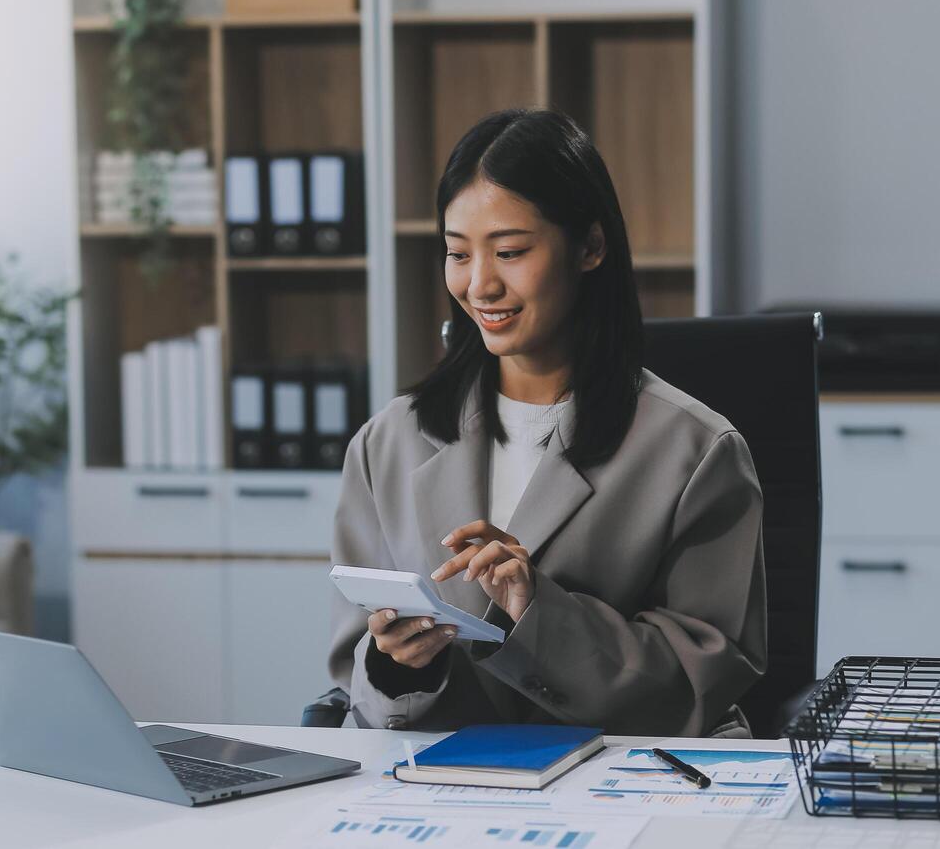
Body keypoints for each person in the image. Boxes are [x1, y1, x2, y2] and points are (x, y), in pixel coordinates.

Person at [326, 108, 766, 737]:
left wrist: (541, 611)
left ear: (589, 247)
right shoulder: (387, 442)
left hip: (615, 793)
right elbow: (354, 677)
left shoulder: (696, 451)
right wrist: (399, 668)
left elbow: (705, 679)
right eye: (457, 254)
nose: (480, 285)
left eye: (510, 252)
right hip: (440, 795)